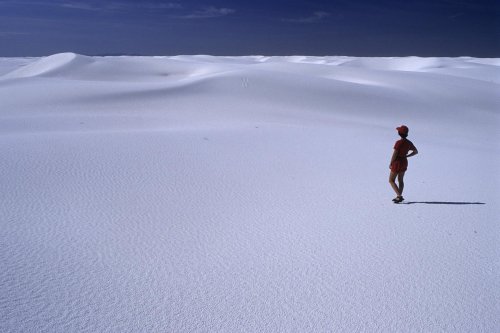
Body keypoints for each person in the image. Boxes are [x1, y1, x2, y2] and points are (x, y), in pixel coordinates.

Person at [389, 125, 418, 203]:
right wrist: (407, 156)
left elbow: (395, 154)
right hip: (404, 161)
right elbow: (415, 152)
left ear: (399, 133)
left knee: (391, 180)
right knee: (400, 180)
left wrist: (391, 163)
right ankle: (399, 197)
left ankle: (399, 196)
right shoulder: (409, 143)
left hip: (397, 162)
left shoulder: (398, 143)